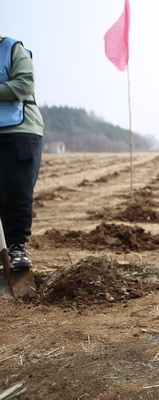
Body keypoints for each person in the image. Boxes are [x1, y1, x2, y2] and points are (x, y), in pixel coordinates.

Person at [0, 36, 44, 269]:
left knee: (15, 190)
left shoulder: (11, 48)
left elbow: (24, 84)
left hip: (18, 131)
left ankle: (16, 247)